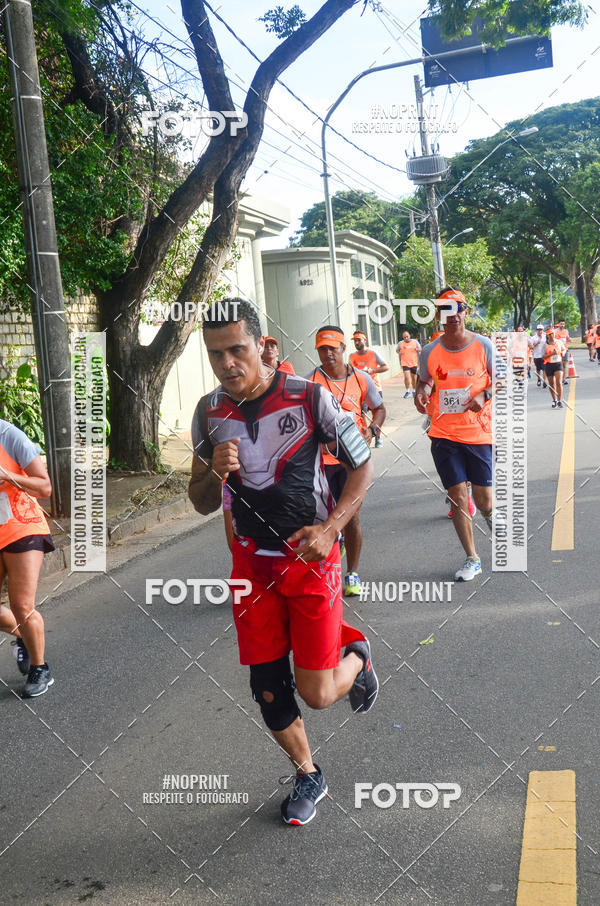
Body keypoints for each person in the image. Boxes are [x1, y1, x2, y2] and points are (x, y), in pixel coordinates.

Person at [189, 300, 379, 827]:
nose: (227, 363)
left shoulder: (309, 396)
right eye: (215, 354)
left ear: (261, 343)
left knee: (318, 694)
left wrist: (331, 529)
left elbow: (362, 466)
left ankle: (357, 656)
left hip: (310, 561)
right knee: (267, 687)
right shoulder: (208, 412)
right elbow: (200, 500)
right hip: (252, 568)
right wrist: (213, 474)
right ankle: (308, 773)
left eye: (237, 349)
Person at [414, 287, 502, 582]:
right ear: (439, 315)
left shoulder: (483, 345)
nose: (453, 315)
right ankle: (472, 558)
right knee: (457, 496)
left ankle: (491, 518)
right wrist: (421, 394)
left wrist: (484, 395)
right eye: (446, 310)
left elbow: (503, 380)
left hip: (478, 434)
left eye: (458, 308)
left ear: (466, 311)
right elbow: (423, 383)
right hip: (443, 434)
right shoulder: (430, 350)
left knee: (484, 500)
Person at [307, 326, 386, 597]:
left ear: (343, 349)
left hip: (353, 463)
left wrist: (373, 429)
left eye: (333, 348)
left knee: (351, 517)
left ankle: (351, 572)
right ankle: (327, 560)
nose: (327, 353)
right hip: (322, 463)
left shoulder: (362, 378)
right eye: (322, 349)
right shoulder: (310, 383)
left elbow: (379, 408)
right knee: (324, 517)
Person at [0, 420, 55, 697]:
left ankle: (39, 667)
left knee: (21, 604)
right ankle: (23, 636)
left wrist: (8, 476)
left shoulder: (8, 435)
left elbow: (44, 487)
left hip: (22, 527)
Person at [349, 331, 388, 447]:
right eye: (355, 340)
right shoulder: (352, 356)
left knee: (377, 413)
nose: (357, 342)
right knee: (362, 414)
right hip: (359, 390)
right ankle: (367, 435)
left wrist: (372, 371)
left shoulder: (373, 353)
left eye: (359, 340)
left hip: (374, 388)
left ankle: (378, 436)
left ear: (364, 340)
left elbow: (386, 367)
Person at [542, 327, 566, 408]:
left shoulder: (559, 342)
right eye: (549, 334)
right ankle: (554, 400)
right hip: (549, 364)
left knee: (559, 382)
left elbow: (564, 349)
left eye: (552, 333)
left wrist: (563, 353)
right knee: (551, 384)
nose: (551, 335)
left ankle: (559, 400)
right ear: (547, 335)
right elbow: (543, 356)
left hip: (558, 364)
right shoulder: (544, 344)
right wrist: (551, 354)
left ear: (554, 334)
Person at [396, 331, 422, 398]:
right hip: (405, 363)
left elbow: (420, 349)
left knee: (414, 378)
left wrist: (417, 349)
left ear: (409, 335)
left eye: (407, 336)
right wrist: (399, 352)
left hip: (414, 362)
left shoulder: (415, 342)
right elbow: (397, 350)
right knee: (407, 377)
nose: (406, 338)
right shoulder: (400, 343)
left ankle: (414, 391)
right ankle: (407, 391)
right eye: (404, 337)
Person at [554, 320, 570, 384]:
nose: (562, 325)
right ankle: (558, 378)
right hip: (558, 350)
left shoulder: (566, 331)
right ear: (558, 324)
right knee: (558, 365)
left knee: (564, 365)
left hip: (565, 349)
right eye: (561, 324)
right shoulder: (555, 332)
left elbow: (567, 338)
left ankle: (564, 379)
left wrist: (569, 339)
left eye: (563, 324)